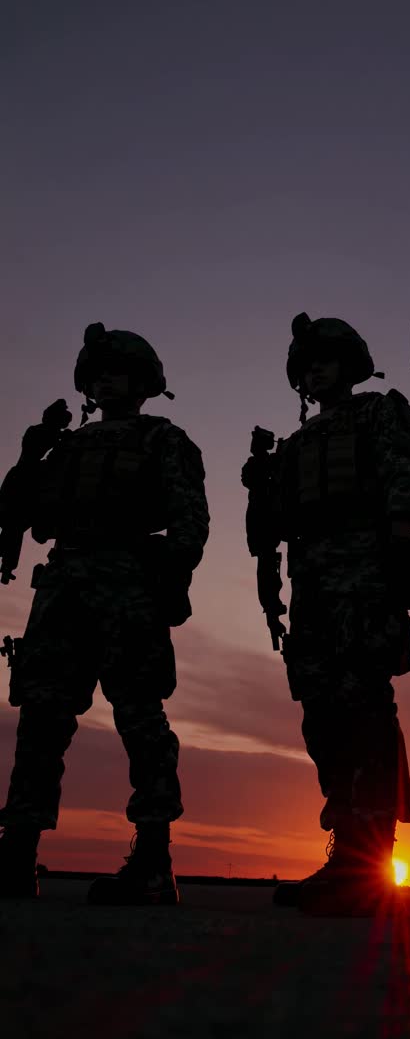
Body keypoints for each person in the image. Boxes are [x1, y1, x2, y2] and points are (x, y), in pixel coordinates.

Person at [0, 322, 209, 904]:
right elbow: (16, 511)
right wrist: (28, 453)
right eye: (96, 374)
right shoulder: (64, 446)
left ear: (143, 383)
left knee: (140, 718)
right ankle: (17, 851)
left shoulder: (162, 439)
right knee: (42, 717)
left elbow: (190, 520)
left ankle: (151, 857)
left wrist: (168, 579)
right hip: (63, 586)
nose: (106, 381)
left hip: (129, 587)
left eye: (117, 372)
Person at [243, 313, 410, 915]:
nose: (316, 371)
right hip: (312, 586)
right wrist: (260, 489)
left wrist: (402, 542)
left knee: (365, 704)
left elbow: (404, 474)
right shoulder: (294, 446)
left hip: (365, 573)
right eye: (307, 365)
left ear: (350, 365)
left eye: (326, 360)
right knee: (321, 712)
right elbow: (273, 528)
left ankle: (370, 859)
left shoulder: (379, 413)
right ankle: (345, 846)